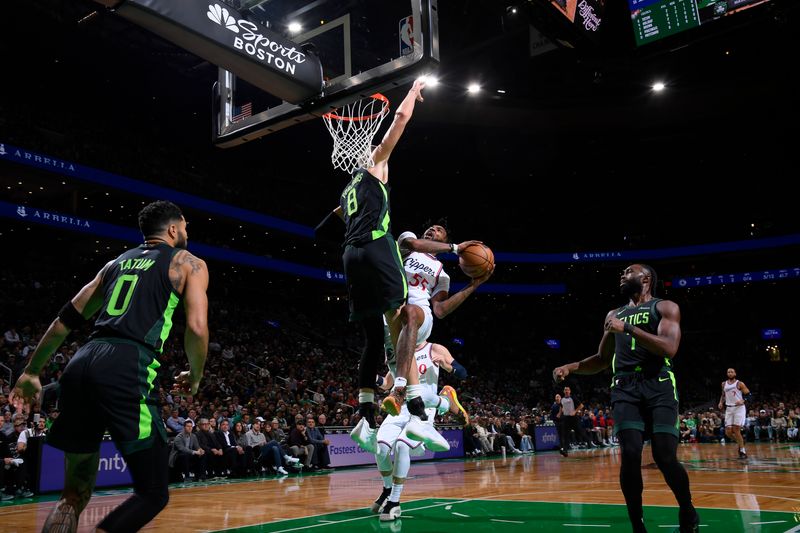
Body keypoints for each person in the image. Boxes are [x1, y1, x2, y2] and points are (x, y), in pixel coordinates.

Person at [9, 200, 209, 532]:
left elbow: (65, 319)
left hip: (83, 362)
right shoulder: (189, 263)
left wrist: (31, 371)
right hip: (128, 365)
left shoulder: (116, 263)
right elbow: (198, 328)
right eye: (185, 225)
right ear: (173, 228)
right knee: (153, 492)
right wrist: (196, 374)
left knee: (73, 493)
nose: (187, 231)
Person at [323, 79, 446, 454]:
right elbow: (400, 120)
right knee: (406, 316)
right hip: (377, 247)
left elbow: (329, 224)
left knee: (374, 337)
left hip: (349, 255)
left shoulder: (347, 190)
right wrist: (412, 93)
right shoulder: (376, 164)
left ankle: (364, 413)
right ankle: (417, 408)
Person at [553, 264, 699, 533]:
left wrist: (628, 329)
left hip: (659, 384)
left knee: (665, 457)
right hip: (624, 386)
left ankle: (688, 510)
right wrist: (570, 367)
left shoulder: (665, 307)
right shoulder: (613, 314)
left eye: (628, 271)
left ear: (645, 278)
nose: (622, 274)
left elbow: (670, 347)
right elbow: (601, 360)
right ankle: (637, 525)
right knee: (630, 454)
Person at [371, 341, 468, 521]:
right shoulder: (401, 351)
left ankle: (395, 501)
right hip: (400, 406)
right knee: (381, 447)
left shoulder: (435, 349)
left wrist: (449, 367)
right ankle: (387, 489)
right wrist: (372, 376)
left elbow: (463, 373)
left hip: (424, 406)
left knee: (402, 445)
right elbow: (386, 384)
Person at [717, 368, 750, 459]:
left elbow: (749, 395)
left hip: (739, 408)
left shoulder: (740, 383)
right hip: (729, 408)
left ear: (735, 373)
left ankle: (743, 451)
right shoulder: (724, 384)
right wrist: (720, 402)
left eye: (732, 372)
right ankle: (741, 442)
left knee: (736, 429)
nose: (730, 373)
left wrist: (743, 400)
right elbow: (723, 395)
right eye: (728, 372)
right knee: (728, 432)